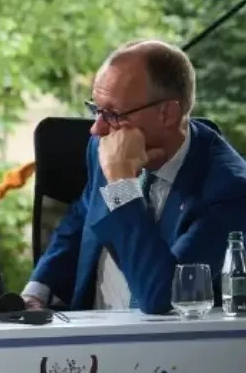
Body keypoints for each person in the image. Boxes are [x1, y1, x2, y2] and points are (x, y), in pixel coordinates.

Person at [24, 39, 246, 313]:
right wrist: (37, 291)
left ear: (167, 113)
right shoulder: (105, 145)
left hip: (162, 338)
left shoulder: (230, 191)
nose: (97, 129)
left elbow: (163, 296)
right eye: (96, 110)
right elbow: (81, 219)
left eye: (112, 114)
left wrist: (121, 183)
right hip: (86, 329)